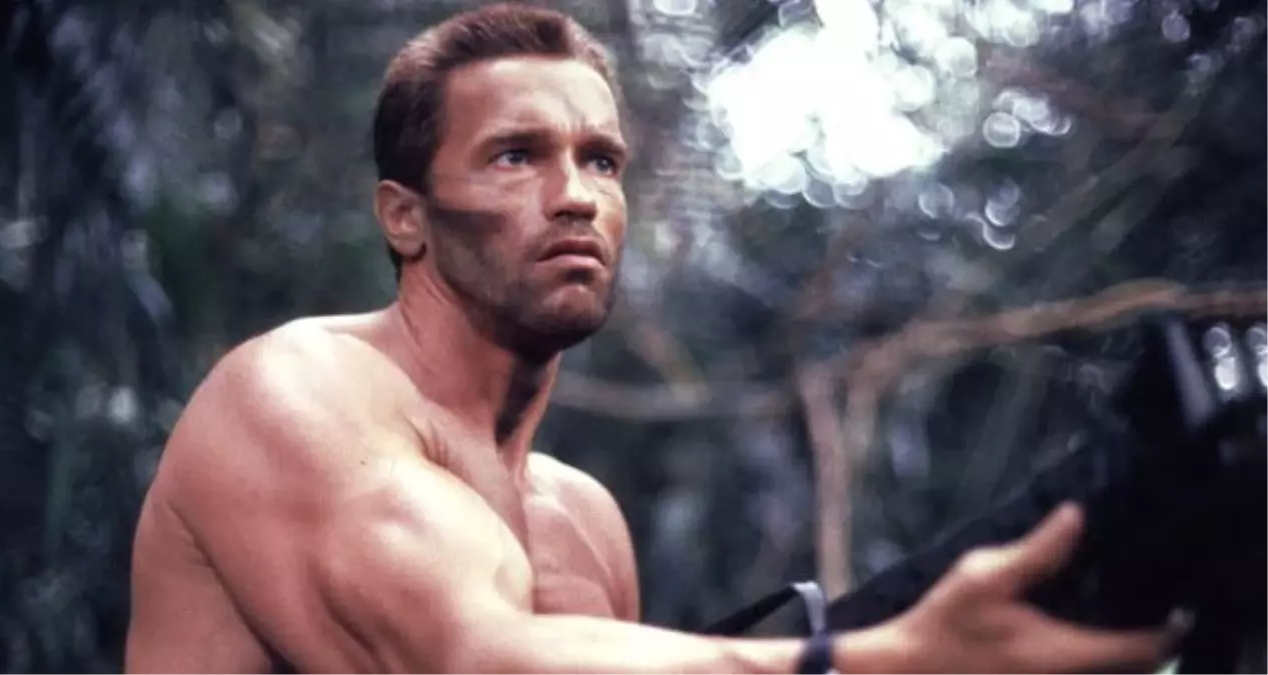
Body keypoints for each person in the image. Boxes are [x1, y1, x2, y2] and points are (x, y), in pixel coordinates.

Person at [124, 3, 1188, 673]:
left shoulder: (584, 525)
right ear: (405, 217)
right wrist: (878, 657)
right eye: (515, 155)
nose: (576, 195)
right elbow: (465, 657)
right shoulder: (296, 390)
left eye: (601, 160)